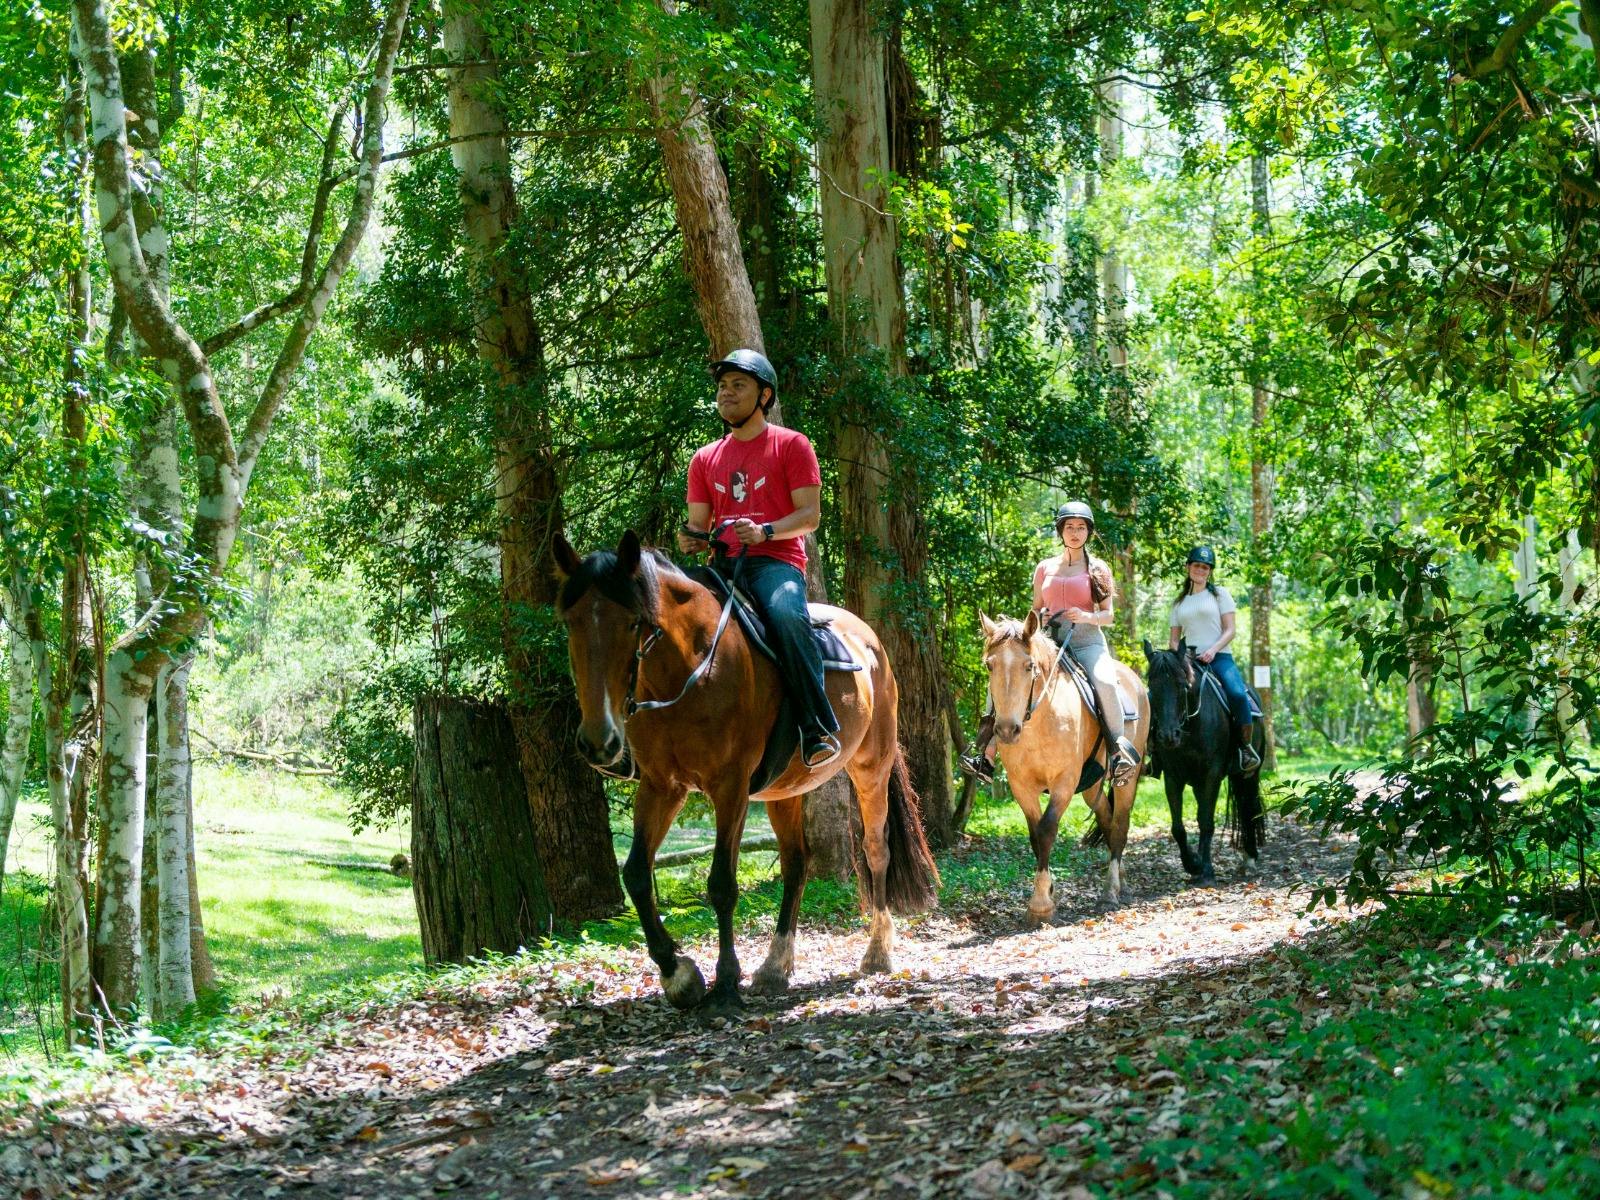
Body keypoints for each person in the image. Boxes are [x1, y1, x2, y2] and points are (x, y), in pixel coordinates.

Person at [676, 349, 841, 769]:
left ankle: (816, 727)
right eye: (722, 386)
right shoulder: (704, 458)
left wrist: (766, 531)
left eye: (738, 385)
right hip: (721, 566)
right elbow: (698, 523)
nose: (726, 393)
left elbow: (810, 516)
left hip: (775, 563)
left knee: (786, 615)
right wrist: (691, 539)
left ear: (764, 396)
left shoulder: (792, 445)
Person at [962, 502, 1140, 786]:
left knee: (1105, 681)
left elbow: (1109, 615)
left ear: (1088, 532)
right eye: (1069, 527)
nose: (1075, 533)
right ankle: (986, 754)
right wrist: (1037, 618)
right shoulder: (1044, 568)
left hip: (1087, 643)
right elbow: (1035, 608)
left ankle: (1118, 753)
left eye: (1081, 528)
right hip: (1048, 642)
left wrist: (1086, 616)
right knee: (1003, 676)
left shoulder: (1098, 568)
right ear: (1061, 531)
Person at [1168, 545, 1261, 775]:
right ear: (1188, 567)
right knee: (1160, 693)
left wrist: (1212, 650)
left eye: (1205, 567)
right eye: (1197, 565)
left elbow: (1230, 630)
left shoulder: (1220, 594)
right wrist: (1181, 659)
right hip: (1189, 661)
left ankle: (1245, 749)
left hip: (1219, 657)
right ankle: (1154, 750)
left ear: (1209, 571)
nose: (1200, 570)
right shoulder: (1179, 603)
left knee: (1237, 694)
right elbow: (1174, 640)